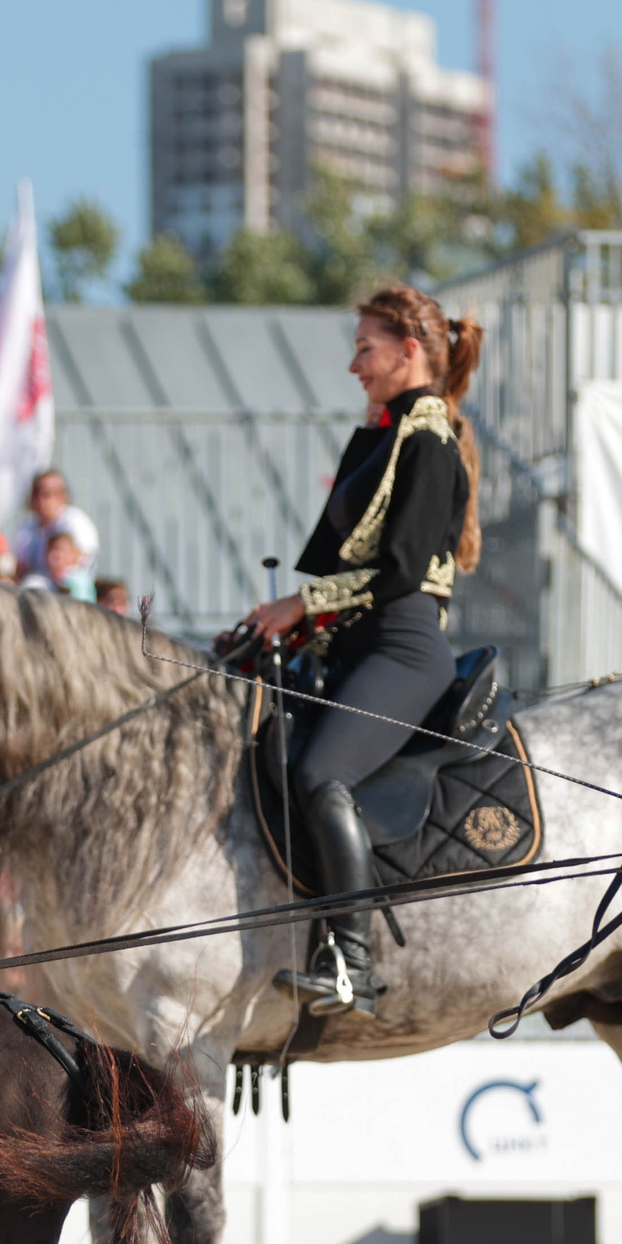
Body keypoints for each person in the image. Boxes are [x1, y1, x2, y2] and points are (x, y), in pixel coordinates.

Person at [238, 285, 481, 1016]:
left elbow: (401, 570)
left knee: (321, 772)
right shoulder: (382, 434)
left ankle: (352, 961)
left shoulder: (431, 441)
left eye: (365, 346)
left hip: (405, 649)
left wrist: (300, 605)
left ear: (410, 350)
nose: (354, 364)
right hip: (357, 643)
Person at [11, 470, 101, 583]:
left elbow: (86, 557)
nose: (41, 500)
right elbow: (20, 567)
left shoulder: (75, 521)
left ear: (62, 496)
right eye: (37, 493)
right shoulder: (27, 528)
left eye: (47, 494)